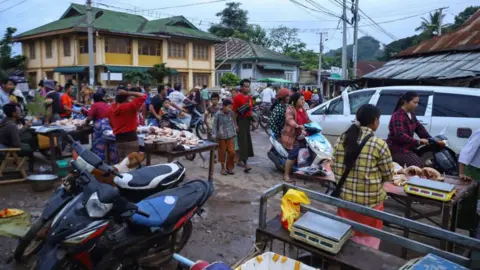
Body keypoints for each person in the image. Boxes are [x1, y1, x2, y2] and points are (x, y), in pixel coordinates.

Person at [333, 104, 394, 250]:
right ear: (374, 121)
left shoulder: (342, 139)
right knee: (368, 245)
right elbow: (388, 176)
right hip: (370, 206)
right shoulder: (379, 144)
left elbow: (335, 167)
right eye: (378, 120)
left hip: (345, 202)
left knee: (345, 241)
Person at [387, 91, 439, 167]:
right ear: (405, 102)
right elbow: (399, 135)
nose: (417, 105)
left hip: (409, 148)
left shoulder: (411, 114)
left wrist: (431, 139)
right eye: (414, 103)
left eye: (417, 103)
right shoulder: (397, 115)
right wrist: (417, 141)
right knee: (418, 165)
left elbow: (420, 128)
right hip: (398, 150)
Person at [108, 87, 146, 161]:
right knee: (131, 164)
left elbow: (111, 123)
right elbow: (143, 96)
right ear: (126, 98)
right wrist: (127, 93)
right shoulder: (129, 106)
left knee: (122, 163)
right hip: (131, 139)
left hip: (119, 139)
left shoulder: (111, 108)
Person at [280, 93, 311, 182]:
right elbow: (289, 119)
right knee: (293, 154)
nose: (303, 101)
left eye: (304, 99)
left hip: (302, 134)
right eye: (301, 99)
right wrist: (297, 125)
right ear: (295, 100)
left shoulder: (303, 110)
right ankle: (286, 175)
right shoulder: (290, 109)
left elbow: (308, 119)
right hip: (292, 135)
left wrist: (314, 124)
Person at [0, 103, 36, 171]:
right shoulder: (12, 125)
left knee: (28, 138)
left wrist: (24, 127)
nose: (21, 113)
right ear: (14, 114)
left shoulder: (4, 120)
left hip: (4, 144)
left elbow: (14, 133)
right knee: (32, 144)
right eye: (19, 111)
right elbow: (17, 145)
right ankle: (30, 169)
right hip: (8, 149)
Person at [85, 93, 118, 163]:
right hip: (110, 124)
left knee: (98, 144)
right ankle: (112, 161)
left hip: (100, 125)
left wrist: (85, 124)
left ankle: (99, 162)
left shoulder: (95, 105)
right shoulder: (105, 104)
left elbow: (89, 118)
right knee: (110, 143)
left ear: (94, 99)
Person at [232, 79, 254, 172]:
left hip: (247, 121)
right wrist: (236, 125)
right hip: (240, 120)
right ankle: (245, 164)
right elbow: (233, 112)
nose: (247, 88)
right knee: (243, 142)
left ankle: (239, 160)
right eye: (245, 86)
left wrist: (252, 121)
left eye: (248, 86)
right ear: (241, 87)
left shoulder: (250, 97)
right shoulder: (237, 97)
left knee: (246, 141)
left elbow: (250, 110)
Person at [213, 99, 237, 175]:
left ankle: (229, 167)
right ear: (223, 106)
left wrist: (234, 132)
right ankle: (223, 168)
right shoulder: (217, 114)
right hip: (221, 136)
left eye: (231, 107)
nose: (230, 109)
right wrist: (214, 135)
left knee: (232, 152)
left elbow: (232, 123)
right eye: (229, 107)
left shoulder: (230, 113)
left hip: (230, 135)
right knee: (222, 152)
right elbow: (214, 125)